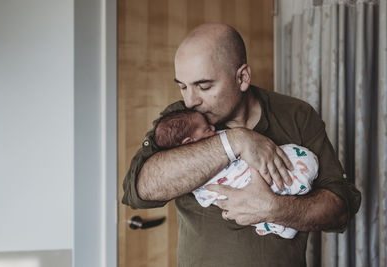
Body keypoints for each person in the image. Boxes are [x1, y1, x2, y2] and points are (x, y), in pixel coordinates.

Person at [122, 22, 361, 267]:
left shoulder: (296, 115)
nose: (190, 100)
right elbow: (140, 189)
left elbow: (339, 209)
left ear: (242, 77)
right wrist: (234, 140)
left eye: (204, 86)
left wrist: (275, 208)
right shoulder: (183, 120)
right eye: (183, 86)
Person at [154, 109, 320, 239]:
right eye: (207, 129)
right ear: (189, 142)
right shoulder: (188, 173)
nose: (213, 128)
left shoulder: (221, 138)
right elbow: (212, 197)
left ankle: (292, 189)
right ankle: (294, 186)